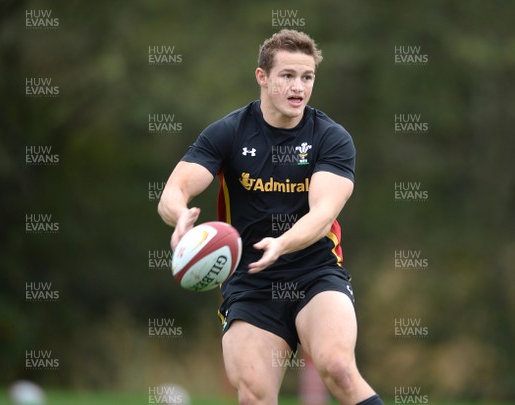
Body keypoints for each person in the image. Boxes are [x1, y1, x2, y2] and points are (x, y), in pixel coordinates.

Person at [158, 29, 383, 405]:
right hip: (251, 281)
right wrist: (180, 217)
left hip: (315, 271)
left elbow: (323, 213)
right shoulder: (228, 133)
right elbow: (174, 189)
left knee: (339, 369)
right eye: (287, 76)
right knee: (254, 397)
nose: (299, 87)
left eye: (307, 77)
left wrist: (283, 242)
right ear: (262, 77)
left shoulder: (331, 138)